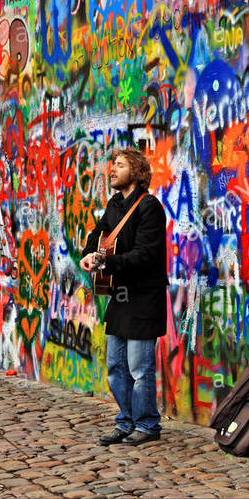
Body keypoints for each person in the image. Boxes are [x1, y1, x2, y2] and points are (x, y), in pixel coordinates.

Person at [81, 148, 168, 446]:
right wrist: (90, 254)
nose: (112, 170)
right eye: (112, 165)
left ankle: (147, 425)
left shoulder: (150, 207)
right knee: (116, 366)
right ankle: (126, 421)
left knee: (140, 368)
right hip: (120, 297)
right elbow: (98, 235)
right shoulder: (114, 204)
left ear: (137, 171)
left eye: (119, 165)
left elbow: (145, 255)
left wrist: (107, 262)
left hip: (144, 298)